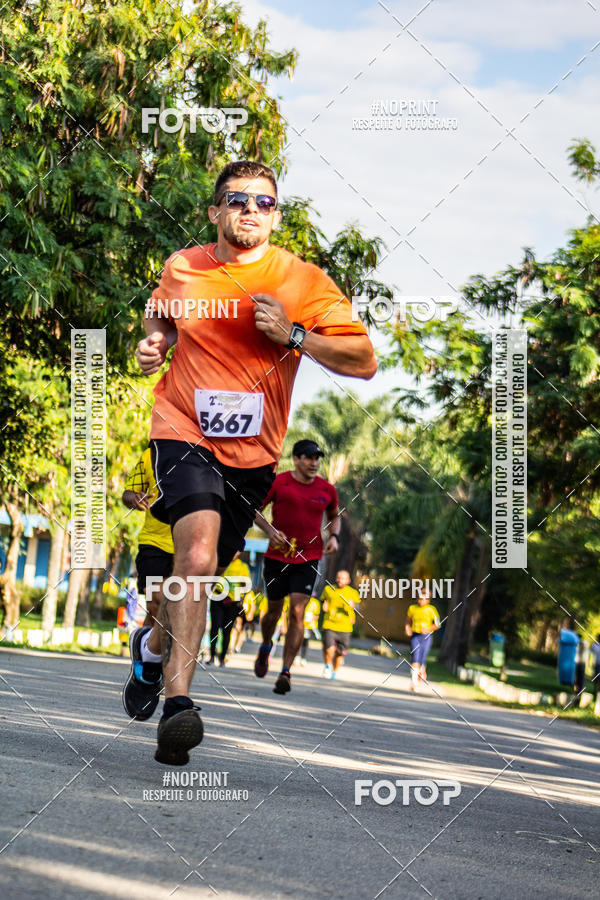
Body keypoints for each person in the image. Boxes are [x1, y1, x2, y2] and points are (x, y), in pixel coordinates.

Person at [122, 159, 377, 765]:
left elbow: (363, 359)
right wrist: (156, 340)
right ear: (215, 211)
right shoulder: (183, 266)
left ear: (276, 214)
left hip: (254, 454)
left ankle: (152, 652)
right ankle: (179, 706)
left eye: (264, 203)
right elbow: (162, 309)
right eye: (237, 200)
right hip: (181, 430)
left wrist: (295, 336)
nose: (250, 211)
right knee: (198, 553)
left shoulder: (300, 280)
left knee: (200, 574)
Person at [253, 439, 340, 694]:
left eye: (317, 459)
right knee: (273, 612)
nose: (314, 463)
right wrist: (270, 531)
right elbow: (254, 509)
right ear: (297, 459)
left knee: (298, 613)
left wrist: (334, 537)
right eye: (309, 458)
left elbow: (335, 515)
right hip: (277, 556)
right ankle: (267, 644)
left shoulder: (327, 489)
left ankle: (285, 671)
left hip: (309, 558)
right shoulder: (279, 482)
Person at [207, 553, 251, 666]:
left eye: (236, 551)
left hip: (232, 603)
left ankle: (222, 657)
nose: (234, 553)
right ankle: (212, 656)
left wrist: (240, 599)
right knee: (215, 627)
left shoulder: (242, 567)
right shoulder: (219, 562)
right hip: (217, 598)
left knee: (227, 630)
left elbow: (245, 586)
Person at [321, 571, 361, 679]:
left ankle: (335, 671)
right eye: (338, 578)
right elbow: (323, 602)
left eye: (343, 578)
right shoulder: (328, 589)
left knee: (339, 653)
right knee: (329, 648)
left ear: (348, 580)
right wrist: (324, 606)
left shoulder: (353, 593)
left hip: (345, 627)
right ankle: (328, 666)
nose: (340, 580)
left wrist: (353, 607)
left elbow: (357, 609)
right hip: (329, 624)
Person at [405, 587, 441, 691]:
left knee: (422, 658)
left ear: (428, 600)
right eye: (419, 598)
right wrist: (407, 628)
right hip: (415, 635)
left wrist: (429, 628)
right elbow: (407, 621)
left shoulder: (431, 609)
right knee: (415, 656)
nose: (421, 600)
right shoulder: (412, 608)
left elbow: (438, 624)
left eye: (423, 599)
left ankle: (421, 671)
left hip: (426, 637)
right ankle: (414, 681)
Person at [298, 595, 321, 666]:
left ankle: (303, 658)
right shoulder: (301, 600)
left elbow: (316, 615)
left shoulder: (315, 602)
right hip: (300, 624)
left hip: (309, 626)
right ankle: (296, 657)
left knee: (305, 642)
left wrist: (311, 621)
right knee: (298, 641)